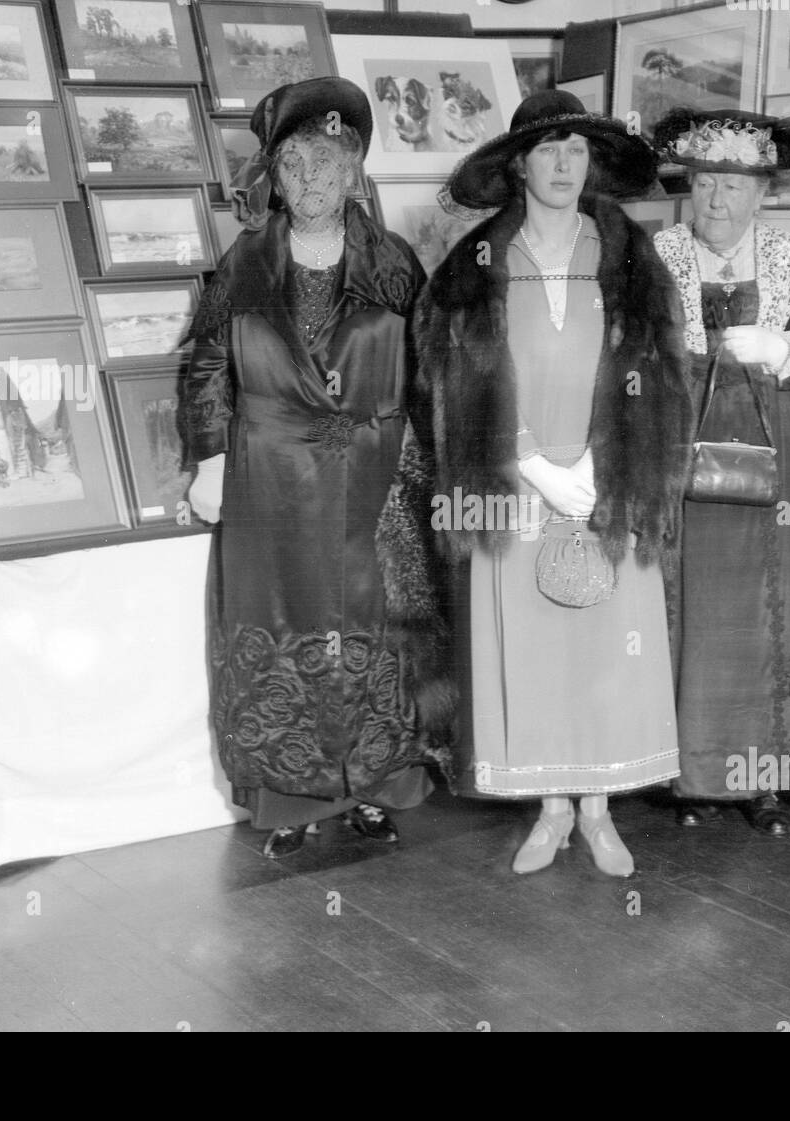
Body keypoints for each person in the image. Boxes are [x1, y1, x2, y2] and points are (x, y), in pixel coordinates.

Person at [415, 90, 691, 876]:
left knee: (606, 650)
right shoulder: (474, 265)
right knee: (532, 652)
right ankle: (551, 809)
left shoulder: (633, 256)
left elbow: (659, 367)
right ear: (519, 165)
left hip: (610, 480)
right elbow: (448, 372)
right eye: (547, 150)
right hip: (514, 483)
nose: (564, 165)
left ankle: (601, 809)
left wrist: (604, 459)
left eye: (576, 149)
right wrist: (528, 459)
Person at [179, 77, 453, 858]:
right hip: (268, 479)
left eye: (328, 162)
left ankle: (375, 787)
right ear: (276, 174)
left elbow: (432, 369)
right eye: (295, 164)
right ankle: (288, 801)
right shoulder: (245, 261)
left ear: (355, 166)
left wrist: (429, 464)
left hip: (373, 479)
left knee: (374, 628)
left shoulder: (394, 262)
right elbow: (206, 367)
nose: (312, 181)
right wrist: (208, 457)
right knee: (281, 626)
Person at [652, 109, 790, 837]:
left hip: (780, 453)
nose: (717, 200)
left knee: (772, 612)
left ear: (762, 192)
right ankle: (691, 774)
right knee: (701, 611)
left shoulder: (789, 257)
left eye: (735, 186)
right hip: (687, 450)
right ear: (689, 186)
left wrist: (784, 354)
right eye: (706, 182)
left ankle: (763, 775)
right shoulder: (657, 254)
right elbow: (630, 360)